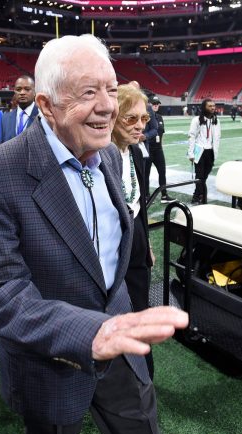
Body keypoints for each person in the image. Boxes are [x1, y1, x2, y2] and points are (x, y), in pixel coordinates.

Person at [0, 34, 188, 434]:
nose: (107, 105)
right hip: (50, 359)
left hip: (120, 338)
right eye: (89, 92)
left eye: (109, 88)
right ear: (47, 105)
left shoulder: (107, 152)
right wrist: (89, 333)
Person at [111, 83, 157, 379]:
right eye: (131, 118)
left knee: (139, 311)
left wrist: (146, 242)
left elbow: (138, 202)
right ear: (113, 117)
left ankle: (142, 374)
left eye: (144, 119)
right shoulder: (97, 156)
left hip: (136, 242)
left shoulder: (137, 153)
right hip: (111, 247)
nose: (140, 125)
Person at [188, 98, 221, 205]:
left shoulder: (216, 120)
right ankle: (198, 197)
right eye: (210, 106)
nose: (212, 108)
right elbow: (191, 136)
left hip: (210, 152)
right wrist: (191, 153)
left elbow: (217, 137)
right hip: (199, 150)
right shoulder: (196, 120)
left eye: (213, 106)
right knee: (199, 176)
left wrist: (215, 152)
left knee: (204, 177)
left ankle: (198, 195)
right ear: (204, 107)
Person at [145, 97, 173, 204]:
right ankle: (146, 196)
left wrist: (161, 146)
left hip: (158, 150)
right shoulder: (145, 117)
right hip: (148, 149)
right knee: (145, 174)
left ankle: (164, 195)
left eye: (157, 104)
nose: (156, 105)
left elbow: (162, 134)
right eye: (154, 103)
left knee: (162, 172)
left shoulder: (160, 117)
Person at [1, 75, 38, 143]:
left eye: (27, 89)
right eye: (18, 89)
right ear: (14, 92)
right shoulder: (5, 118)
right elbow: (1, 147)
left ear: (34, 92)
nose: (22, 93)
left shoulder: (43, 116)